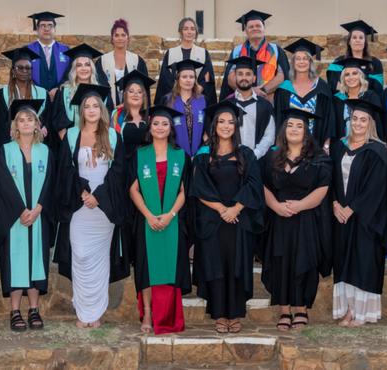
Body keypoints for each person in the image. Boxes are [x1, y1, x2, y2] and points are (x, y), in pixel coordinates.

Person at [53, 84, 127, 328]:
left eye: (96, 105)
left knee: (100, 258)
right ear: (81, 110)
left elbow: (118, 173)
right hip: (79, 204)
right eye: (87, 106)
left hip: (103, 208)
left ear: (102, 109)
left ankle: (95, 313)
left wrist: (99, 197)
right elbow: (65, 170)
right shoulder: (72, 136)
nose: (92, 110)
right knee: (81, 256)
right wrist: (84, 192)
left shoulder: (113, 136)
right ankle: (82, 310)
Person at [191, 101, 264, 333]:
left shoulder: (246, 154)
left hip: (238, 220)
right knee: (215, 265)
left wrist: (236, 209)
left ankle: (235, 314)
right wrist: (222, 209)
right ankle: (219, 314)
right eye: (221, 121)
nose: (226, 125)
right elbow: (199, 187)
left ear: (236, 125)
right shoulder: (204, 155)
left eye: (230, 122)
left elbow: (254, 184)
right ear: (214, 126)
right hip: (213, 220)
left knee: (236, 265)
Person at [261, 108, 331, 331]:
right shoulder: (272, 157)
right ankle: (284, 310)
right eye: (290, 125)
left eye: (299, 126)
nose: (294, 129)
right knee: (280, 262)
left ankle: (301, 308)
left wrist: (300, 205)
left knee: (305, 262)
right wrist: (275, 206)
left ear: (306, 132)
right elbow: (263, 186)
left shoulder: (318, 159)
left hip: (307, 219)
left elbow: (323, 189)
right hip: (279, 219)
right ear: (284, 130)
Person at [0, 99, 55, 332]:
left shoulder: (45, 151)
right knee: (15, 261)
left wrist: (38, 208)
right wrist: (20, 210)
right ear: (15, 126)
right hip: (13, 217)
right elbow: (2, 184)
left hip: (38, 216)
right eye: (21, 120)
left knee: (36, 259)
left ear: (37, 124)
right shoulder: (4, 151)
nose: (26, 123)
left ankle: (34, 309)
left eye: (30, 119)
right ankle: (15, 310)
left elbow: (49, 183)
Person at [129, 104, 192, 334]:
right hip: (147, 221)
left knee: (170, 267)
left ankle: (170, 315)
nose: (160, 127)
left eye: (165, 124)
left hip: (172, 221)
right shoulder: (140, 155)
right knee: (147, 269)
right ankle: (147, 313)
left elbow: (184, 192)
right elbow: (133, 189)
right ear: (150, 126)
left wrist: (170, 215)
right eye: (156, 123)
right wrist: (148, 215)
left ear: (171, 128)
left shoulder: (180, 156)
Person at [329, 95, 387, 327]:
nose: (357, 123)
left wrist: (352, 208)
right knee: (344, 261)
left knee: (362, 261)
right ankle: (347, 310)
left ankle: (361, 312)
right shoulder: (339, 147)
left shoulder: (377, 150)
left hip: (366, 218)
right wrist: (335, 204)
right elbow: (331, 180)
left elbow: (376, 187)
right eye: (354, 119)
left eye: (363, 120)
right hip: (340, 215)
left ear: (370, 123)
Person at [274, 38, 335, 150]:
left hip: (316, 144)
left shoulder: (322, 87)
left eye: (305, 58)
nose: (301, 62)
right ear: (293, 63)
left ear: (310, 62)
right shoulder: (284, 88)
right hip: (288, 147)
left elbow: (329, 117)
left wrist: (327, 144)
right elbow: (279, 119)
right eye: (298, 59)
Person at [220, 10, 288, 102]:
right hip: (242, 101)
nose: (255, 28)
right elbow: (230, 77)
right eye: (251, 27)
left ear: (264, 28)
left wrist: (263, 90)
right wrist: (250, 92)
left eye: (258, 26)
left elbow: (282, 75)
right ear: (246, 31)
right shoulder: (237, 51)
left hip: (268, 102)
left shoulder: (276, 50)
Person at [0, 47, 50, 146]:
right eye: (20, 67)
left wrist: (44, 126)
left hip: (36, 142)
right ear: (13, 71)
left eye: (28, 68)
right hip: (10, 142)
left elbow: (48, 118)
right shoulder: (2, 94)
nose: (24, 71)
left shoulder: (42, 93)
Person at [155, 17, 217, 105]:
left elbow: (207, 77)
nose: (189, 32)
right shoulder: (171, 53)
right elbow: (165, 79)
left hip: (197, 98)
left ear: (196, 32)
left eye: (192, 29)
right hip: (175, 99)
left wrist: (200, 87)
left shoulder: (203, 53)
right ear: (180, 32)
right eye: (185, 29)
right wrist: (177, 90)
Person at [224, 57, 275, 159]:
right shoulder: (226, 105)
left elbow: (269, 136)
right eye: (240, 74)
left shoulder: (265, 106)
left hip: (257, 160)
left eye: (248, 74)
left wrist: (255, 154)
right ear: (235, 77)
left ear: (254, 78)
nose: (244, 78)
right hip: (231, 160)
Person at [49, 43, 103, 141]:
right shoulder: (64, 91)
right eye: (79, 65)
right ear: (74, 69)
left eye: (87, 65)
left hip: (97, 141)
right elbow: (60, 123)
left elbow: (105, 119)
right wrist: (70, 146)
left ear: (92, 68)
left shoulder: (100, 91)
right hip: (71, 141)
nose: (83, 68)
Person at [96, 19, 148, 107]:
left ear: (128, 38)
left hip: (132, 109)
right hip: (108, 109)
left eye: (123, 35)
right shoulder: (102, 61)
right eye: (116, 35)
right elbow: (100, 86)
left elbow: (143, 88)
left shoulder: (137, 60)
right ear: (112, 38)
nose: (120, 38)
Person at [331, 58, 384, 140]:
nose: (351, 77)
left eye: (354, 73)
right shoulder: (337, 99)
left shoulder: (371, 96)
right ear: (343, 78)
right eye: (347, 74)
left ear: (361, 76)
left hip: (367, 143)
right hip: (343, 144)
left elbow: (378, 124)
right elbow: (334, 125)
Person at [327, 20, 384, 95]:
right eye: (354, 37)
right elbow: (334, 86)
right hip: (343, 102)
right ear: (349, 42)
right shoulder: (338, 63)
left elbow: (378, 89)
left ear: (365, 42)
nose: (358, 40)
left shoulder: (375, 63)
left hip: (367, 103)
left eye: (361, 38)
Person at [164, 59, 207, 157]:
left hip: (199, 152)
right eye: (184, 77)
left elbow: (207, 125)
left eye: (191, 77)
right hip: (174, 151)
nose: (188, 80)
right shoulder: (168, 100)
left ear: (195, 80)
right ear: (178, 79)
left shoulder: (203, 100)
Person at [25, 11, 71, 96]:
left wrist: (58, 88)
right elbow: (24, 74)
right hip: (36, 95)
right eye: (43, 25)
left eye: (50, 25)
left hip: (59, 95)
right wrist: (38, 90)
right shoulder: (28, 50)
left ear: (55, 29)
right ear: (37, 29)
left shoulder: (65, 50)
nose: (47, 29)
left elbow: (69, 73)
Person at [113, 70, 154, 161]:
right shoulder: (117, 115)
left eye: (139, 92)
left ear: (144, 96)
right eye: (131, 91)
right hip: (123, 165)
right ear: (125, 94)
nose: (135, 94)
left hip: (147, 165)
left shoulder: (150, 117)